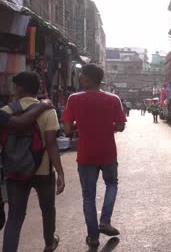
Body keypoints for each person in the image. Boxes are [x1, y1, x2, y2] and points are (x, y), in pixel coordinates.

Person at [62, 64, 127, 248]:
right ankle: (105, 220)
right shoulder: (113, 99)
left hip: (86, 155)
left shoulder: (73, 99)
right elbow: (121, 126)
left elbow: (67, 129)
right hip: (107, 153)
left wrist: (80, 125)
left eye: (82, 76)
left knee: (88, 196)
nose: (80, 79)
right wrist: (107, 125)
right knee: (112, 184)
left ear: (89, 78)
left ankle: (93, 237)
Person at [1, 72, 65, 252]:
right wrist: (60, 172)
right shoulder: (48, 110)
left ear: (20, 88)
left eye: (14, 87)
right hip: (42, 171)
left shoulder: (6, 111)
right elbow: (52, 144)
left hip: (15, 171)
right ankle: (49, 243)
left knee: (15, 216)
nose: (13, 91)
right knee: (47, 209)